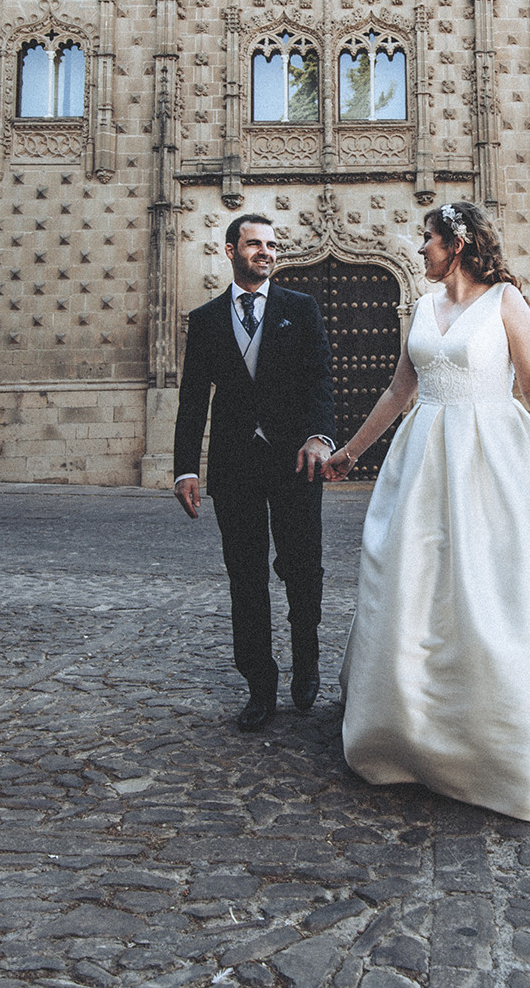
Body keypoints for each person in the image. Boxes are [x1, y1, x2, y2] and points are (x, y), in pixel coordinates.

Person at [323, 201, 530, 821]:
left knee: (496, 583)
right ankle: (408, 725)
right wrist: (351, 453)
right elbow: (400, 390)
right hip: (423, 460)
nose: (420, 249)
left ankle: (501, 727)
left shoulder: (505, 302)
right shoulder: (422, 308)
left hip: (494, 453)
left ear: (459, 244)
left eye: (429, 239)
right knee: (416, 582)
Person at [174, 213, 337, 731]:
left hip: (296, 464)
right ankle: (259, 685)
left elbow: (320, 382)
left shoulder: (301, 309)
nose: (266, 251)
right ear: (230, 251)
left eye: (271, 244)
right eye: (254, 244)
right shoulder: (204, 320)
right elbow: (193, 400)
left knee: (302, 568)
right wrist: (184, 469)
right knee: (245, 577)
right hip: (234, 467)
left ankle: (306, 658)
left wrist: (319, 436)